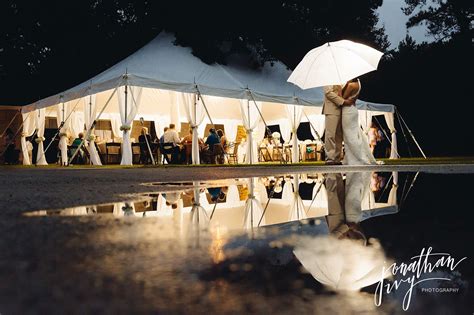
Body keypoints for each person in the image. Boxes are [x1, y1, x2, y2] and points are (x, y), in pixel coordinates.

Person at [340, 79, 377, 165]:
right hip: (352, 109)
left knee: (350, 136)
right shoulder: (358, 83)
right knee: (355, 134)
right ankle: (354, 157)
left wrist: (342, 87)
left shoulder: (351, 85)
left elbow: (342, 98)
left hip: (347, 111)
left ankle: (360, 157)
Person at [322, 85, 355, 165]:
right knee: (330, 135)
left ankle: (336, 158)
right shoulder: (329, 77)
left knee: (339, 136)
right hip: (331, 109)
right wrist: (343, 101)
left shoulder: (340, 79)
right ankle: (330, 158)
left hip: (342, 110)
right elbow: (328, 93)